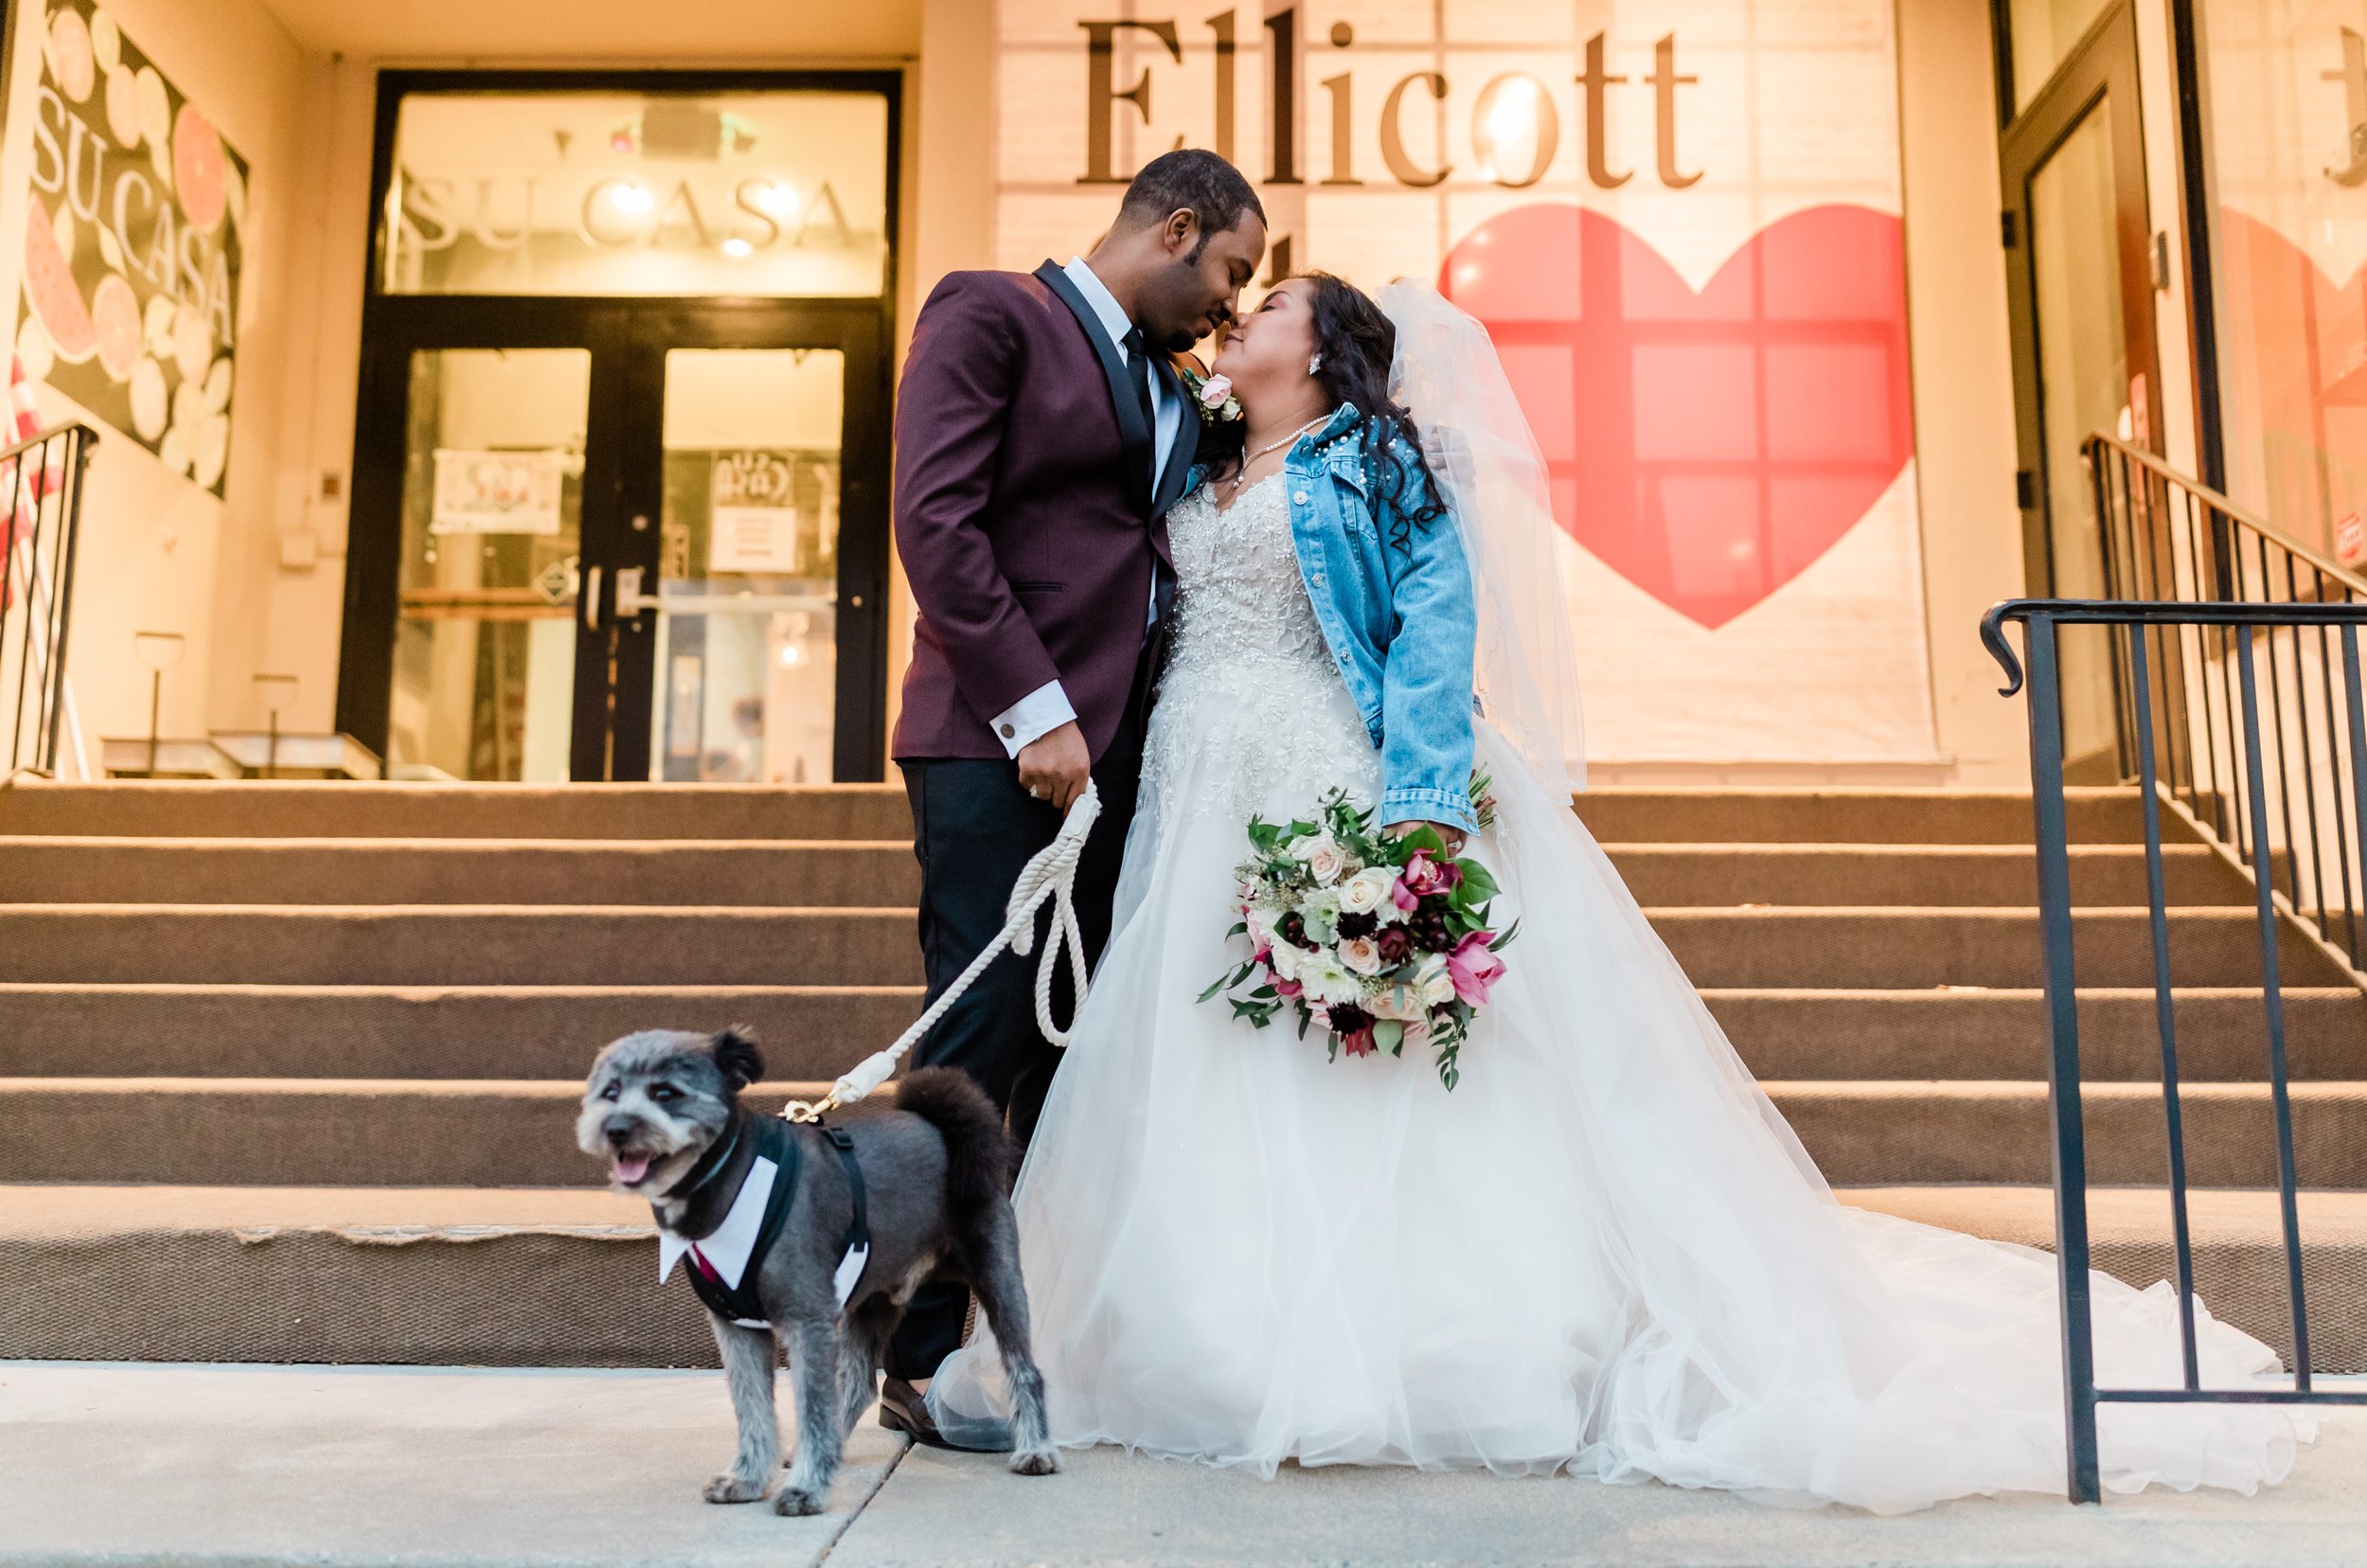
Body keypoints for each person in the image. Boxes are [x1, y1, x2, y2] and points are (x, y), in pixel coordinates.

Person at [921, 272, 2308, 1511]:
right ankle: (1198, 1330)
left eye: (1269, 302)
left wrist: (1415, 818)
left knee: (1352, 1058)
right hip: (1189, 789)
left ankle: (1404, 1343)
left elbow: (1430, 635)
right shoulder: (1196, 461)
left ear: (1329, 350)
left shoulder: (1385, 466)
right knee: (1195, 1043)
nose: (1240, 316)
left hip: (1318, 775)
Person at [881, 149, 1267, 1441]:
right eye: (1230, 270)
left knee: (1058, 1052)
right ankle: (908, 1357)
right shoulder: (990, 313)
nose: (1230, 304)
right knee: (979, 1041)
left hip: (1119, 770)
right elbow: (938, 523)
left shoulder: (1174, 388)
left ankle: (986, 1335)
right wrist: (1034, 709)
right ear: (1174, 226)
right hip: (1003, 748)